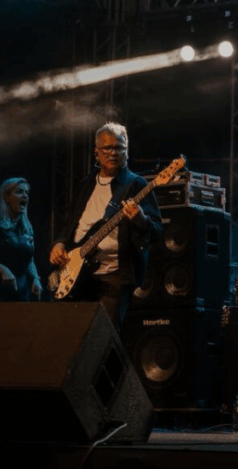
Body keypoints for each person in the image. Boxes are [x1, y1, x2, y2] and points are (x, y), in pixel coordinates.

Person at [49, 122, 161, 329]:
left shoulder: (136, 185)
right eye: (107, 148)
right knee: (72, 334)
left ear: (127, 151)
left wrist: (140, 219)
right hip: (77, 273)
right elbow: (69, 225)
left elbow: (156, 232)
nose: (113, 153)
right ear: (96, 152)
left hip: (114, 276)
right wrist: (60, 244)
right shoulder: (86, 184)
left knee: (103, 336)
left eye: (119, 148)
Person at [0, 177, 42, 301]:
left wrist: (35, 278)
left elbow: (29, 259)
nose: (25, 195)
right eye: (19, 192)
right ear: (6, 197)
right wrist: (2, 269)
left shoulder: (27, 227)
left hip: (21, 292)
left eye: (26, 192)